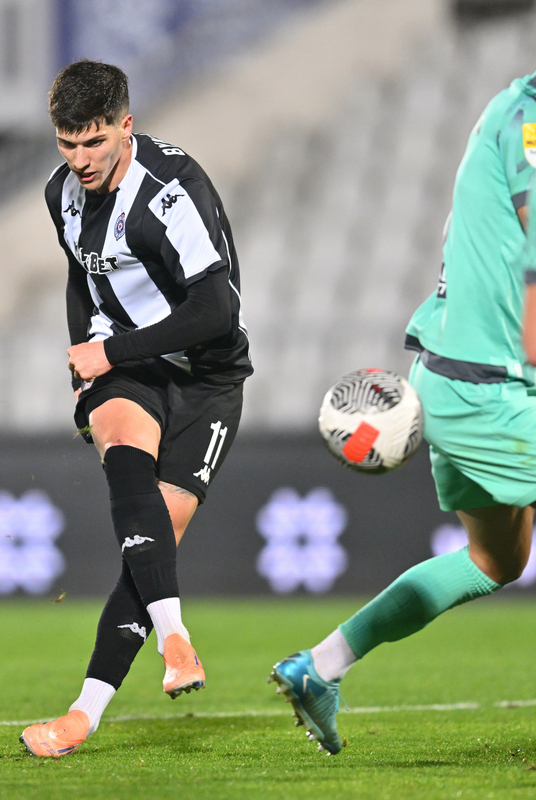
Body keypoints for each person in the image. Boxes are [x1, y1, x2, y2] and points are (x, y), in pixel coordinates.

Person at [270, 71, 536, 756]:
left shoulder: (513, 108)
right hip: (498, 390)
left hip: (448, 379)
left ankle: (320, 665)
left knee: (492, 560)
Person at [20, 61, 252, 758]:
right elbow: (76, 272)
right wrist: (83, 352)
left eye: (93, 142)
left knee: (147, 552)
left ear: (127, 126)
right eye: (67, 142)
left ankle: (90, 706)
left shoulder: (170, 194)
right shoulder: (60, 194)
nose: (80, 159)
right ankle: (166, 643)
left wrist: (109, 352)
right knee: (126, 471)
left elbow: (217, 310)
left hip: (208, 379)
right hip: (131, 368)